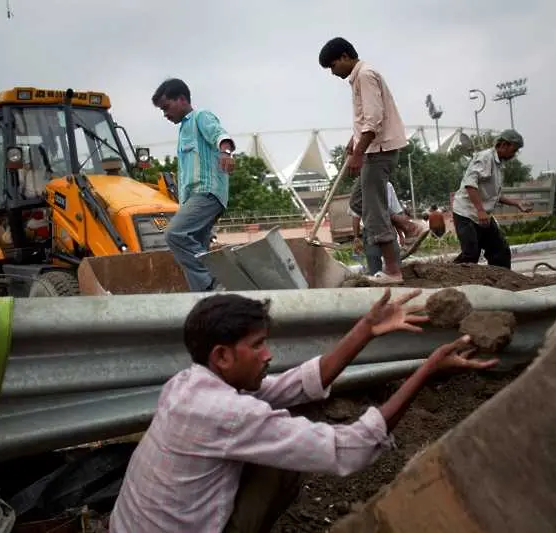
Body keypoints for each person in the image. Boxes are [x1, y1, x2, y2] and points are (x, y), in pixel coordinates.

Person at [109, 289, 497, 533]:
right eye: (258, 345)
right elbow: (351, 449)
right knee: (285, 457)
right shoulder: (228, 414)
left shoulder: (186, 385)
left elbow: (296, 384)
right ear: (222, 356)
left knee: (292, 418)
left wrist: (366, 328)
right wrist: (428, 369)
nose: (269, 355)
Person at [319, 37, 421, 285]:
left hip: (377, 151)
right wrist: (354, 140)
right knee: (358, 201)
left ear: (345, 57)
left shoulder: (364, 75)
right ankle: (408, 227)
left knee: (374, 211)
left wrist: (358, 153)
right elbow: (368, 117)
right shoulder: (360, 77)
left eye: (332, 66)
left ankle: (393, 271)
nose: (332, 73)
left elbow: (374, 119)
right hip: (373, 148)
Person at [152, 78, 236, 291]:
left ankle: (213, 285)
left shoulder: (200, 117)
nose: (165, 115)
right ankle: (206, 300)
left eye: (166, 107)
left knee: (174, 234)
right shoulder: (183, 130)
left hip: (206, 193)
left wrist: (226, 152)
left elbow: (219, 134)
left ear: (181, 99)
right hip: (193, 198)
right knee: (196, 249)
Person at [451, 129, 532, 269]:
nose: (514, 154)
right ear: (504, 145)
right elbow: (470, 185)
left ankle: (503, 281)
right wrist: (480, 210)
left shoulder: (499, 165)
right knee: (471, 254)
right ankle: (449, 275)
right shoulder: (485, 158)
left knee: (500, 250)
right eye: (514, 150)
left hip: (483, 215)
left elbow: (492, 196)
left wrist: (516, 203)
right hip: (467, 213)